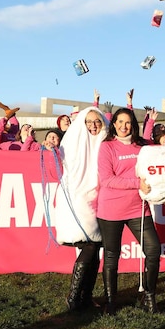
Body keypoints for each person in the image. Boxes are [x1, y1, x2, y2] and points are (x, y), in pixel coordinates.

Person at [97, 107, 161, 314]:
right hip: (111, 209)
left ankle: (149, 296)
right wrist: (137, 183)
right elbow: (107, 179)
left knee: (153, 250)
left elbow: (162, 159)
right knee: (111, 256)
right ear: (113, 124)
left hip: (138, 208)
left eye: (128, 123)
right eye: (120, 122)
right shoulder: (107, 147)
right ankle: (110, 301)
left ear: (133, 125)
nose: (124, 127)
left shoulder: (144, 146)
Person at [56, 107, 107, 312]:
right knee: (90, 245)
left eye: (97, 121)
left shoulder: (105, 139)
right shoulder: (73, 140)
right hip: (79, 198)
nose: (93, 125)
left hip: (101, 198)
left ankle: (85, 295)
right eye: (89, 121)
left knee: (96, 247)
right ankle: (74, 296)